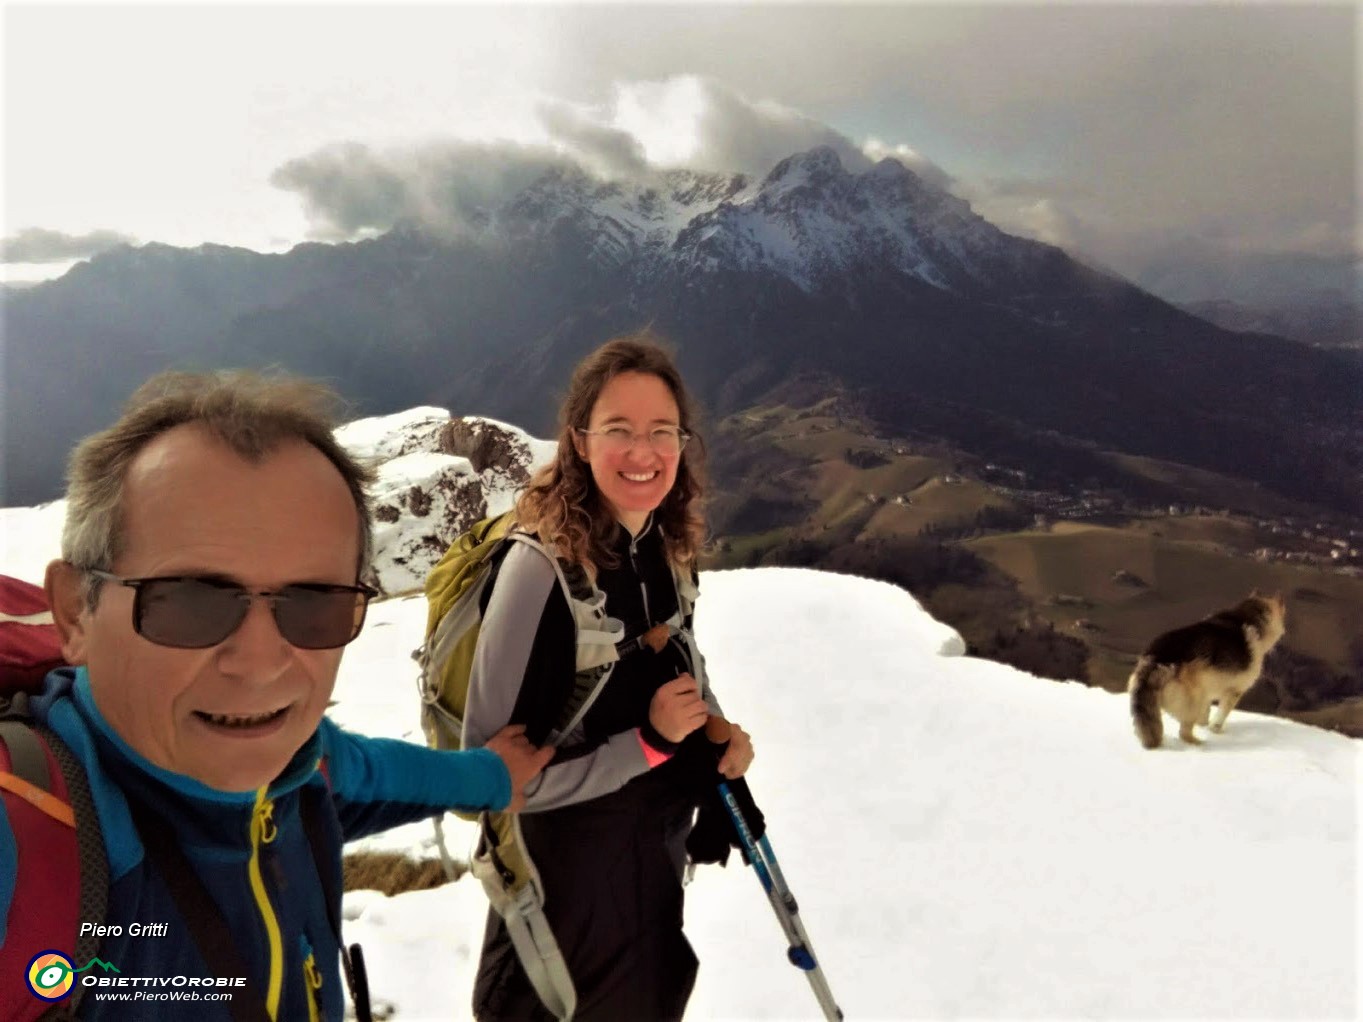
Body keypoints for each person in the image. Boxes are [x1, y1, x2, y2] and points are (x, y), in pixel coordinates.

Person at [0, 370, 553, 1020]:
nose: (260, 664)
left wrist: (494, 777)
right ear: (76, 614)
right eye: (189, 601)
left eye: (314, 603)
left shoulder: (301, 772)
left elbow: (377, 772)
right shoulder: (30, 834)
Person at [464, 333, 755, 1022]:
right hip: (561, 912)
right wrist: (649, 746)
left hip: (650, 877)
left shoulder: (662, 548)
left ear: (683, 443)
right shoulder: (537, 571)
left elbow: (680, 666)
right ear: (579, 441)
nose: (642, 453)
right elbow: (482, 779)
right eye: (617, 430)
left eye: (661, 431)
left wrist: (712, 731)